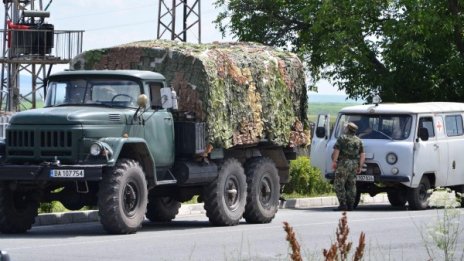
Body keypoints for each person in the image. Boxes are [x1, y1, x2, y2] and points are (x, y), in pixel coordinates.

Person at [331, 122, 365, 211]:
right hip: (354, 164)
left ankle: (343, 204)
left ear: (347, 129)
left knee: (339, 183)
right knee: (352, 184)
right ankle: (351, 205)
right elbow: (362, 154)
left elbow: (336, 150)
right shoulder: (358, 140)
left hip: (344, 163)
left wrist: (334, 161)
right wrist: (360, 166)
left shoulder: (342, 138)